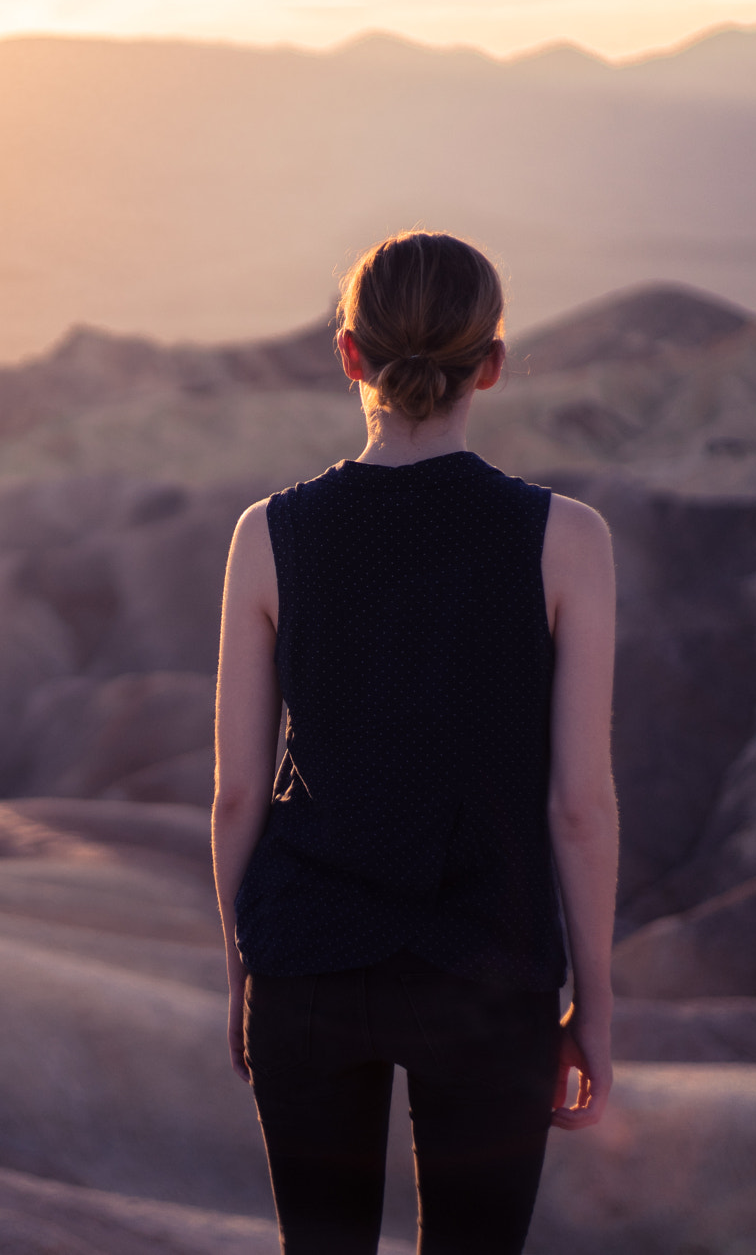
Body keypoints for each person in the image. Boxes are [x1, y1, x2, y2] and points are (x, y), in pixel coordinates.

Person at [210, 231, 618, 1255]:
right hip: (490, 967)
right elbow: (579, 806)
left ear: (348, 355)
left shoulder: (268, 533)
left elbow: (233, 797)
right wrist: (593, 1008)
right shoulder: (568, 539)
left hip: (305, 960)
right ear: (491, 362)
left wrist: (240, 972)